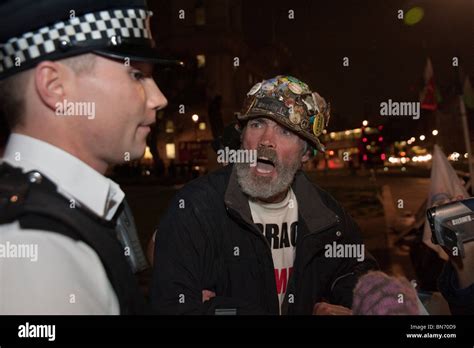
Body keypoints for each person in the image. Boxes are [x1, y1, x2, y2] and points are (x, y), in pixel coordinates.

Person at [151, 75, 377, 315]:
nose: (266, 141)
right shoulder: (196, 208)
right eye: (257, 124)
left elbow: (355, 268)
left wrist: (352, 305)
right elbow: (172, 305)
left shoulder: (327, 216)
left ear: (306, 155)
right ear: (242, 136)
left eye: (285, 131)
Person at [0, 0, 171, 314]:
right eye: (136, 75)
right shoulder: (38, 252)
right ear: (55, 87)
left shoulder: (68, 216)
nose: (160, 98)